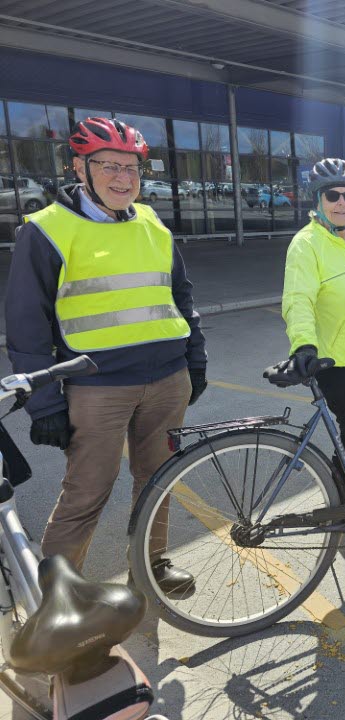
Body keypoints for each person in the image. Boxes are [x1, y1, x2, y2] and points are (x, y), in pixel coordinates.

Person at [4, 117, 207, 591]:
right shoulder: (46, 231)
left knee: (159, 480)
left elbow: (181, 297)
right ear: (80, 168)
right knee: (86, 493)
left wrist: (194, 359)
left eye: (132, 167)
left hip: (167, 379)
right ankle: (57, 596)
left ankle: (151, 567)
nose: (123, 178)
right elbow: (27, 325)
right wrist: (44, 404)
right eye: (109, 166)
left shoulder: (153, 223)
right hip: (97, 387)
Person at [279, 158, 345, 492]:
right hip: (338, 363)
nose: (342, 203)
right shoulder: (306, 244)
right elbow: (298, 298)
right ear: (318, 200)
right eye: (332, 195)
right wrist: (303, 344)